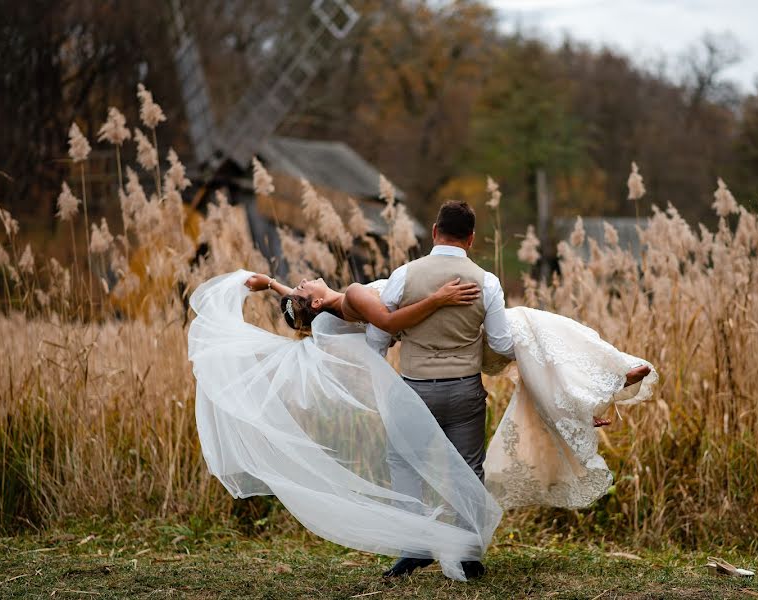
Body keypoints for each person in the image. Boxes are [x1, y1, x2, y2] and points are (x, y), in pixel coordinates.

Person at [187, 201, 657, 583]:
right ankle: (471, 553)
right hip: (464, 387)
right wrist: (464, 332)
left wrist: (268, 284)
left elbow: (376, 336)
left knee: (405, 465)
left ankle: (413, 548)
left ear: (434, 232)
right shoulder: (487, 282)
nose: (308, 279)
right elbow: (495, 343)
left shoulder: (398, 279)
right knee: (473, 459)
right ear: (470, 238)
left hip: (415, 389)